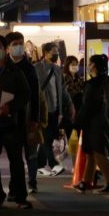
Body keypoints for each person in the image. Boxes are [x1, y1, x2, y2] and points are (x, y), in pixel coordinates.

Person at [0, 33, 31, 210]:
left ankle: (20, 196)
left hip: (12, 123)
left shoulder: (15, 72)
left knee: (16, 161)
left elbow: (25, 94)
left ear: (5, 50)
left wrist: (11, 108)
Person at [73, 55, 109, 194]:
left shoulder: (93, 84)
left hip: (95, 124)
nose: (88, 66)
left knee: (98, 154)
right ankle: (85, 182)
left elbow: (87, 106)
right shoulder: (106, 82)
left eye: (90, 63)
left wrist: (77, 122)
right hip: (105, 121)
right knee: (92, 153)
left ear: (94, 66)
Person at [5, 32, 42, 195]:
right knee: (14, 155)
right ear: (8, 48)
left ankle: (32, 181)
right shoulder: (4, 67)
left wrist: (35, 118)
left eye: (20, 43)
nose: (19, 46)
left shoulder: (29, 68)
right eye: (15, 43)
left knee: (30, 151)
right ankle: (15, 187)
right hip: (9, 117)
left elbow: (35, 96)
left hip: (26, 116)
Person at [35, 42, 71, 176]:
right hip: (43, 110)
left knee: (48, 138)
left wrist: (70, 105)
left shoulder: (57, 69)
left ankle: (39, 163)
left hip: (56, 109)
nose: (56, 54)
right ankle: (53, 163)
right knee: (47, 137)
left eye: (57, 52)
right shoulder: (36, 68)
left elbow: (63, 89)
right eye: (54, 52)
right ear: (45, 53)